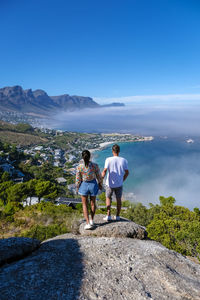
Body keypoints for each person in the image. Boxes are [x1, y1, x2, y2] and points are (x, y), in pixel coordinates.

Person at [76, 150, 103, 229]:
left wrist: (77, 187)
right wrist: (100, 184)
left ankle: (87, 223)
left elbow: (78, 179)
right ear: (90, 156)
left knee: (84, 205)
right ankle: (92, 220)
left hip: (84, 185)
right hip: (93, 185)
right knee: (93, 203)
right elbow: (99, 177)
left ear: (82, 157)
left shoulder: (79, 167)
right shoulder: (95, 165)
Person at [102, 144, 129, 221]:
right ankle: (117, 216)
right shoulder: (124, 160)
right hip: (119, 184)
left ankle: (108, 215)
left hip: (109, 184)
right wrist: (122, 180)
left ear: (112, 151)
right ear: (119, 151)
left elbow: (104, 171)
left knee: (108, 198)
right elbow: (127, 172)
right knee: (118, 199)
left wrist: (101, 179)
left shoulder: (108, 159)